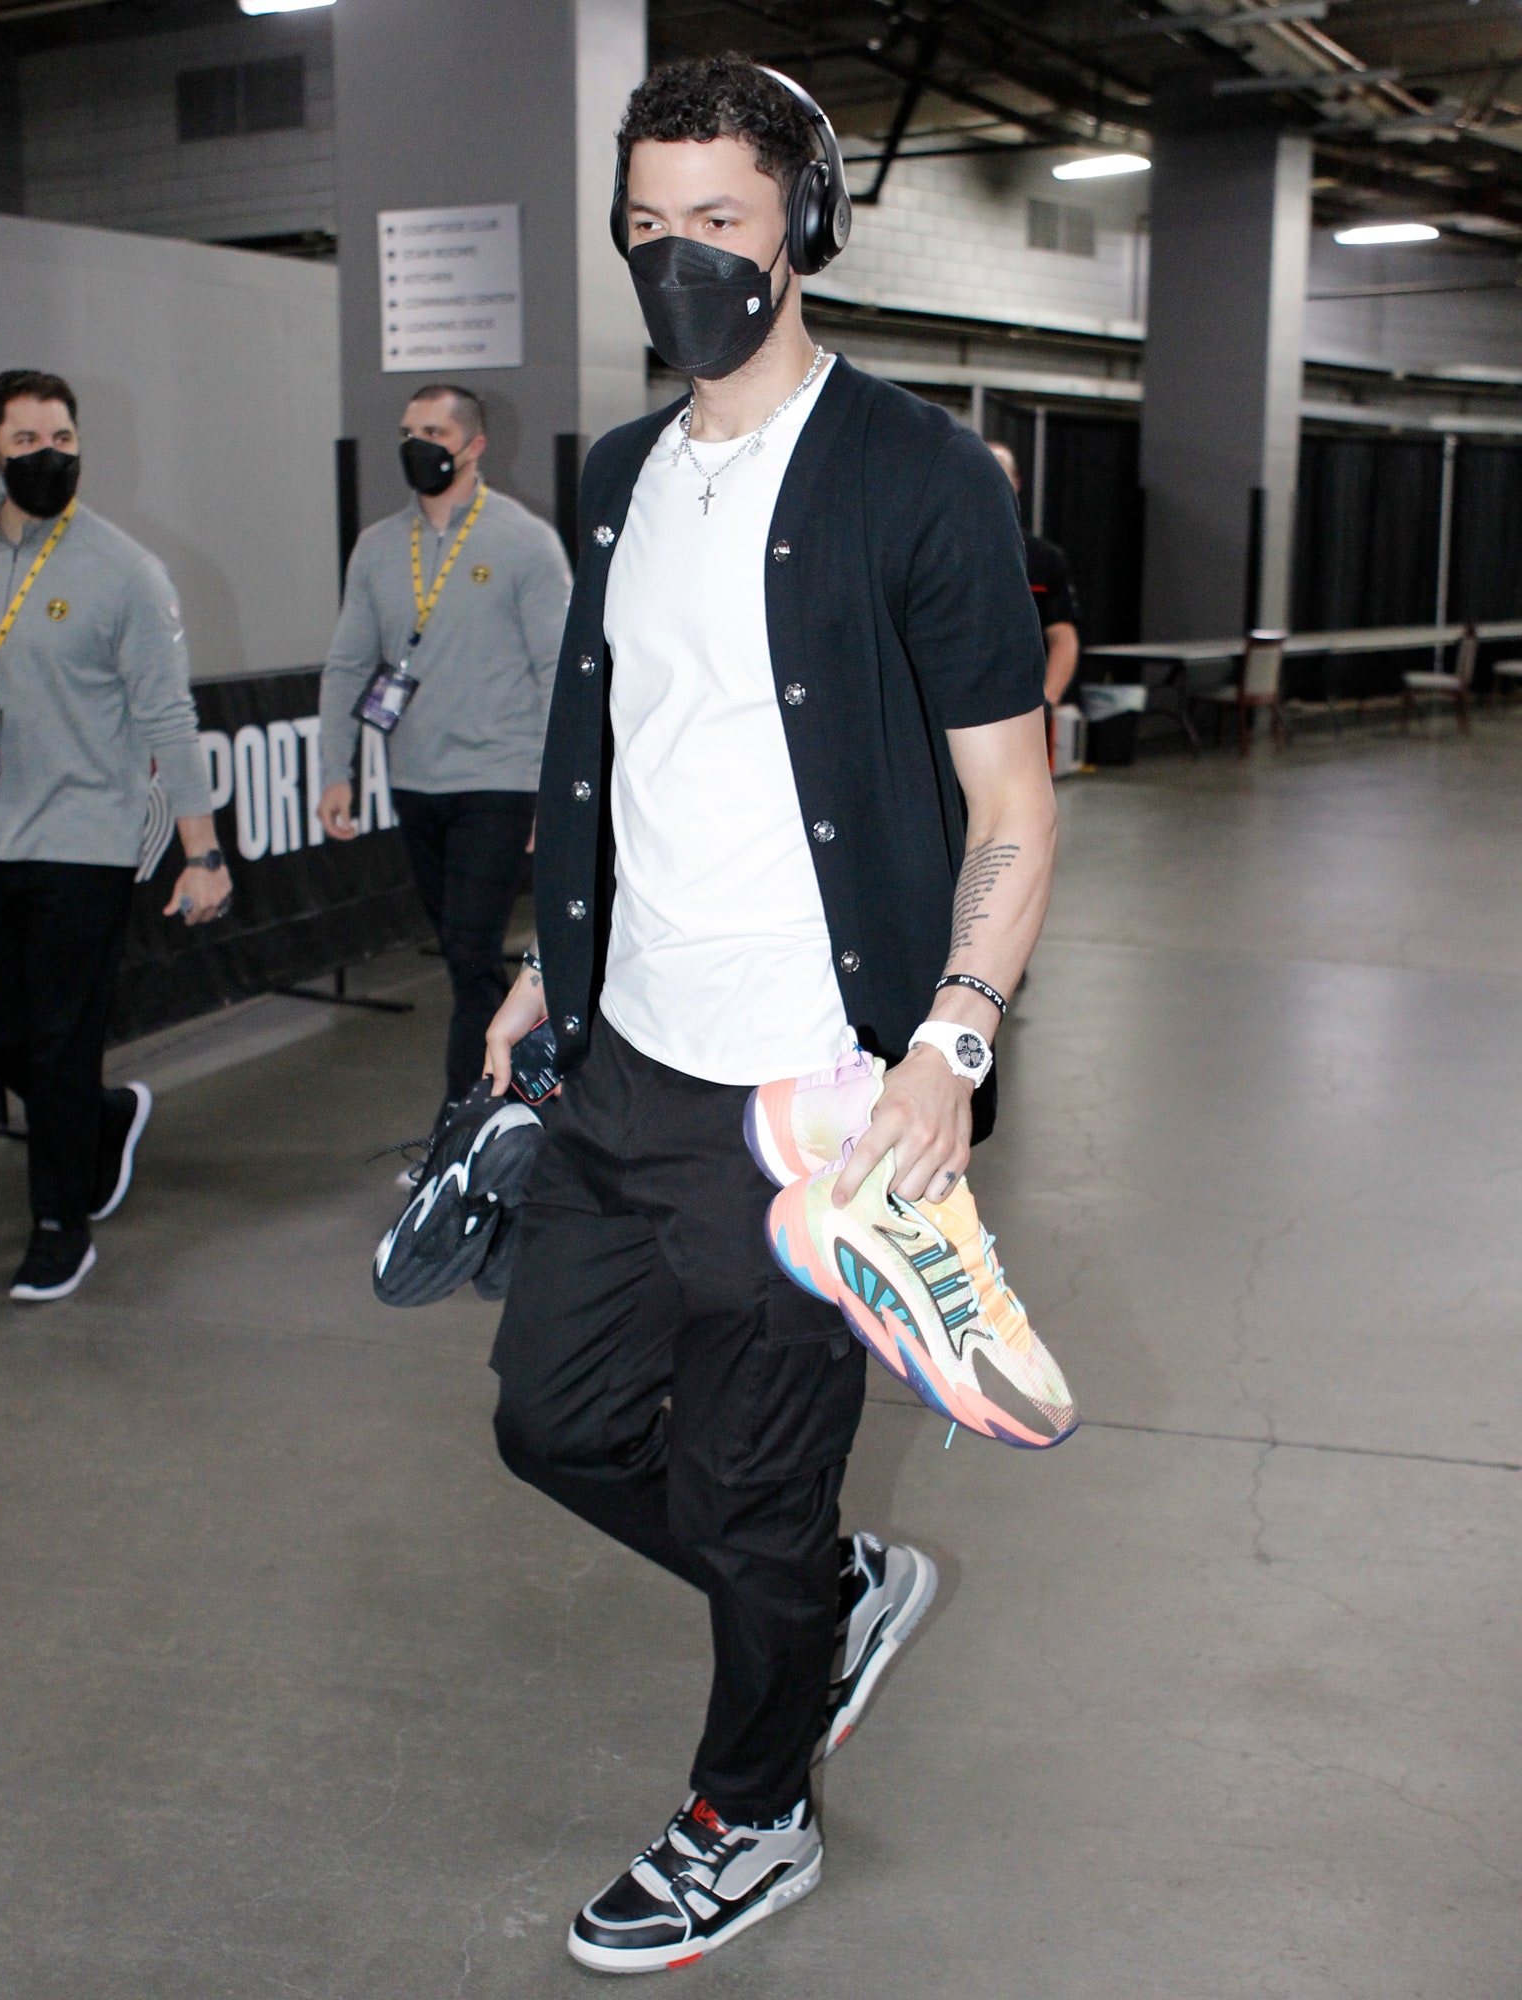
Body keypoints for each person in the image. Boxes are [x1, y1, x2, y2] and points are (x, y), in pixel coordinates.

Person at [481, 58, 1058, 1974]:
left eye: (719, 222)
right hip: (627, 1061)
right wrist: (540, 971)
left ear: (802, 223)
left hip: (807, 1100)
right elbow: (614, 753)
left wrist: (955, 1041)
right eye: (648, 228)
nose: (681, 261)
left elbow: (1013, 806)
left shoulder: (924, 479)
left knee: (745, 1481)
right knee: (551, 1422)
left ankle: (756, 1811)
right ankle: (826, 1589)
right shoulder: (622, 474)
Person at [0, 369, 229, 1303]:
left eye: (62, 440)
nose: (48, 457)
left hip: (88, 837)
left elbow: (169, 718)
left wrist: (201, 849)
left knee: (60, 1038)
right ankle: (98, 1118)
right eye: (26, 443)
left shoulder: (127, 569)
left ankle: (62, 1225)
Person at [317, 385, 571, 1123]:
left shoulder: (523, 540)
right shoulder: (376, 547)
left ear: (473, 445)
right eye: (407, 431)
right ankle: (525, 1095)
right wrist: (335, 770)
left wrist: (554, 793)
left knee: (468, 953)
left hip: (500, 779)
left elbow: (561, 670)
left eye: (433, 430)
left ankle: (464, 1123)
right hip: (416, 782)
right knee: (466, 956)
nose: (416, 444)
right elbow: (346, 663)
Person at [988, 441, 1081, 709]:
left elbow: (1063, 638)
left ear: (1015, 483)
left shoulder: (1044, 559)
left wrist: (1047, 700)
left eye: (998, 474)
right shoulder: (940, 554)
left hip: (1022, 704)